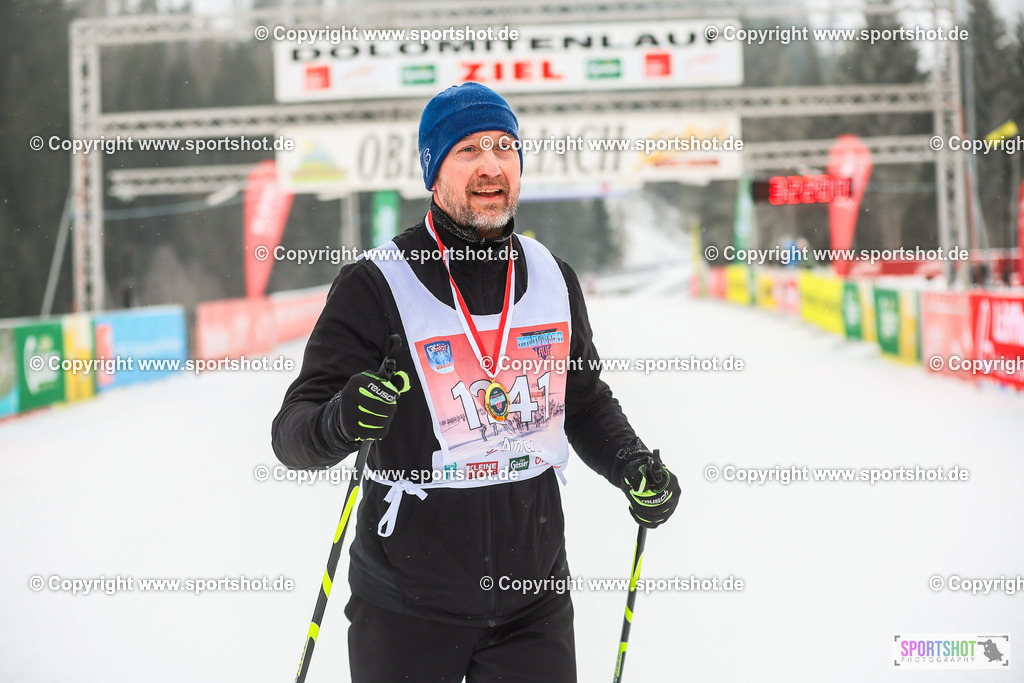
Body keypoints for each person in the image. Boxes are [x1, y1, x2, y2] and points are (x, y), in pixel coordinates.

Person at [272, 82, 680, 683]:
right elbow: (292, 432)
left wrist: (631, 465)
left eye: (504, 146)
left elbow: (583, 399)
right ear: (433, 171)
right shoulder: (376, 284)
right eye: (468, 150)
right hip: (407, 607)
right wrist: (339, 420)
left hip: (532, 604)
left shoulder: (550, 277)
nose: (491, 166)